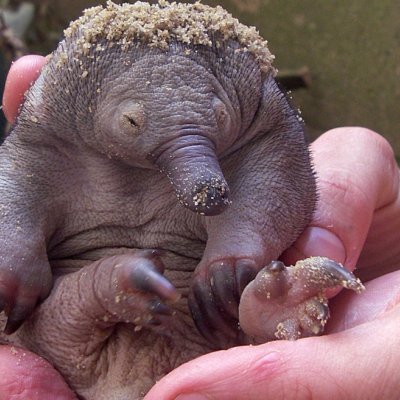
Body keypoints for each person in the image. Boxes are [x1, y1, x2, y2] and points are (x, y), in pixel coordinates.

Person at [1, 56, 399, 400]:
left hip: (211, 337)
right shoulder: (50, 134)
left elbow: (278, 182)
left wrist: (242, 251)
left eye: (216, 115)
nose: (200, 186)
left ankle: (262, 313)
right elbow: (17, 184)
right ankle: (253, 311)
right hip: (69, 337)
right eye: (134, 120)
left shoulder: (262, 129)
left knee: (245, 303)